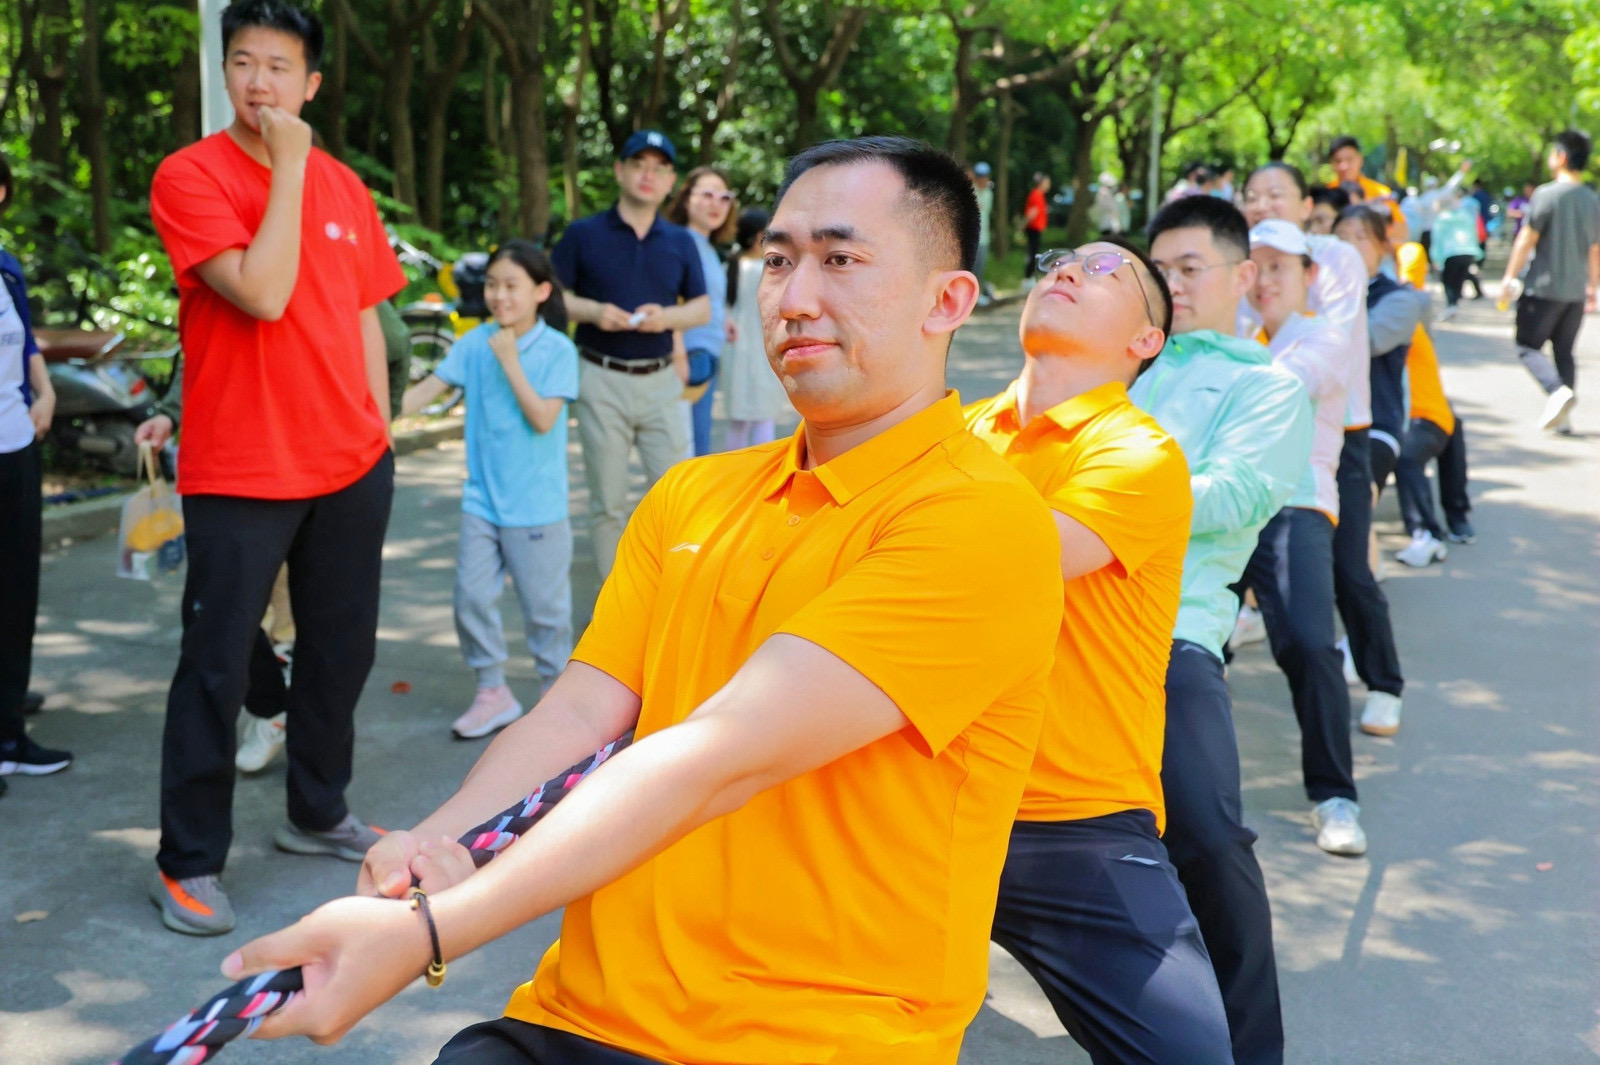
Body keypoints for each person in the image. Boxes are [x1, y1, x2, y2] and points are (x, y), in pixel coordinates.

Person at [221, 135, 1064, 1065]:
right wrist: (431, 848)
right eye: (779, 260)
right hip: (578, 1013)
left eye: (840, 260)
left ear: (948, 301)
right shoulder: (695, 493)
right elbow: (581, 708)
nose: (794, 296)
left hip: (818, 1037)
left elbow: (719, 757)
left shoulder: (983, 522)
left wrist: (431, 933)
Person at [144, 0, 404, 936]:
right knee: (216, 664)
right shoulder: (190, 176)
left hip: (349, 462)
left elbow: (366, 316)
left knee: (340, 652)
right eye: (244, 62)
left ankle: (317, 809)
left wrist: (378, 434)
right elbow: (261, 290)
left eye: (279, 66)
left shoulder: (346, 186)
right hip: (241, 467)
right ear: (225, 72)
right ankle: (188, 862)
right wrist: (288, 166)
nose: (259, 82)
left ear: (312, 83)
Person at [966, 240, 1235, 1063]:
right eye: (1059, 259)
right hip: (931, 800)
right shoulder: (961, 432)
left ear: (1146, 340)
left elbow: (1009, 555)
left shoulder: (1139, 452)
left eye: (1104, 268)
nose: (1066, 270)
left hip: (1072, 821)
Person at [1130, 195, 1313, 1065]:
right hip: (1043, 625)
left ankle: (1250, 1048)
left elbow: (1235, 495)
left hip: (1167, 636)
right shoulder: (1121, 363)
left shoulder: (1266, 386)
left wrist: (1096, 503)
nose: (1170, 284)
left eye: (1189, 268)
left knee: (1204, 835)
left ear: (1242, 277)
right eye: (1158, 269)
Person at [1240, 162, 1408, 769]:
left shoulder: (1333, 256)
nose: (1263, 203)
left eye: (1276, 194)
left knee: (1349, 568)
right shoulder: (1239, 259)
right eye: (1252, 195)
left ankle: (1383, 682)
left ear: (1306, 204)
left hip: (1338, 429)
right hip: (1255, 439)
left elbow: (1322, 342)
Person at [401, 242, 579, 741]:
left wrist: (510, 361)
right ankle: (492, 692)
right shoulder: (474, 342)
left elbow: (543, 419)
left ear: (541, 292)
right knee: (471, 599)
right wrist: (370, 417)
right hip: (482, 502)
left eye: (511, 286)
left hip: (536, 508)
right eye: (492, 285)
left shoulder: (557, 350)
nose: (499, 296)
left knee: (545, 614)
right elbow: (426, 392)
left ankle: (557, 698)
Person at [1238, 218, 1365, 858]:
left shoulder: (1326, 337)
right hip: (1224, 508)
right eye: (1255, 267)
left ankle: (1335, 795)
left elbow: (1281, 390)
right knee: (1180, 648)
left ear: (1309, 275)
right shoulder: (1239, 338)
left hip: (1295, 505)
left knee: (1311, 647)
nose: (1265, 280)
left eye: (1279, 267)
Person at [552, 129, 710, 576]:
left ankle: (671, 594)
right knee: (608, 502)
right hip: (600, 378)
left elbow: (701, 308)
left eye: (659, 168)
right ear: (620, 171)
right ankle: (612, 605)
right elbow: (551, 297)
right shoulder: (582, 234)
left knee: (676, 497)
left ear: (670, 182)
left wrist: (667, 317)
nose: (648, 175)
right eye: (638, 164)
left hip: (661, 381)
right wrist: (593, 311)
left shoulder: (681, 241)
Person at [0, 152, 71, 798]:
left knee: (17, 589)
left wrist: (44, 393)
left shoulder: (7, 267)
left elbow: (24, 343)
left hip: (16, 444)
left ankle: (9, 732)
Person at [1500, 129, 1600, 433]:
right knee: (1564, 352)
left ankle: (1557, 391)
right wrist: (1592, 286)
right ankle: (1564, 418)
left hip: (1542, 288)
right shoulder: (1592, 200)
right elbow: (1595, 249)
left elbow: (1526, 239)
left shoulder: (1546, 194)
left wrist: (1509, 276)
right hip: (1574, 293)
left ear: (1562, 157)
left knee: (1526, 345)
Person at [665, 166, 737, 457]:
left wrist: (724, 320)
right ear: (686, 199)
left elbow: (707, 299)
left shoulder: (706, 246)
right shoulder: (678, 243)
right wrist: (678, 355)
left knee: (697, 450)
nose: (716, 203)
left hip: (706, 353)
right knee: (688, 455)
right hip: (689, 356)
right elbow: (669, 300)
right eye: (707, 194)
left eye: (724, 197)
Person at [720, 207, 791, 448]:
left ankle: (735, 469)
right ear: (759, 235)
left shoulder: (731, 265)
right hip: (761, 346)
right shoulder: (768, 268)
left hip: (736, 349)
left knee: (738, 421)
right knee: (763, 419)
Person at [1327, 135, 1408, 240]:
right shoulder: (1327, 194)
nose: (1343, 166)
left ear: (1360, 159)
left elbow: (1401, 232)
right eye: (1338, 161)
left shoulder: (1380, 193)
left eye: (1349, 159)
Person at [1431, 190, 1485, 318]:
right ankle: (1454, 305)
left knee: (1448, 280)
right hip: (1468, 252)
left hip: (1451, 253)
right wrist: (1477, 252)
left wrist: (1436, 258)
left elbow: (1438, 239)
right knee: (1459, 280)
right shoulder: (1465, 216)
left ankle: (1452, 304)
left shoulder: (1442, 218)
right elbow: (1473, 234)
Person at [972, 161, 996, 299]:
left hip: (985, 236)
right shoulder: (971, 191)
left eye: (985, 177)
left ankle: (979, 294)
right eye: (981, 177)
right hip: (973, 237)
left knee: (981, 267)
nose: (983, 180)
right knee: (972, 268)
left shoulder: (988, 193)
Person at [1023, 172, 1051, 280]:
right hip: (1033, 229)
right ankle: (1028, 276)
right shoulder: (1036, 194)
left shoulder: (1040, 195)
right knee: (1033, 253)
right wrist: (1023, 224)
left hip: (1037, 229)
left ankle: (1030, 275)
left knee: (1034, 251)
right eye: (1047, 182)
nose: (1048, 185)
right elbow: (1032, 212)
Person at [1092, 171, 1128, 236]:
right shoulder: (1104, 192)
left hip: (1109, 221)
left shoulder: (1106, 192)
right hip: (1106, 220)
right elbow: (1109, 206)